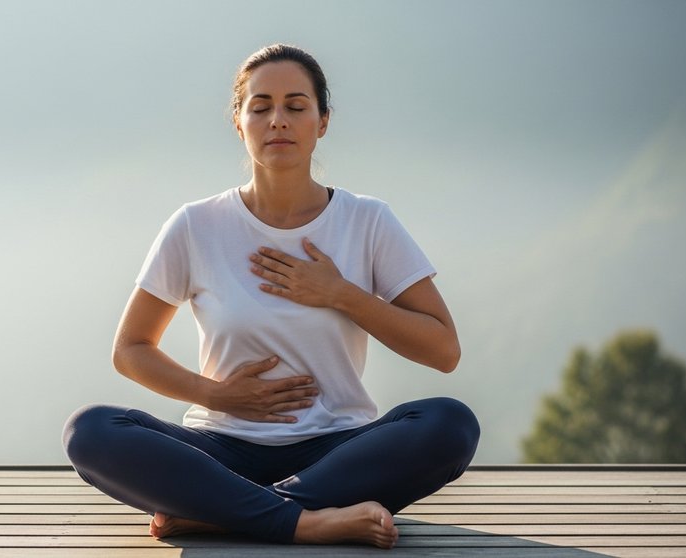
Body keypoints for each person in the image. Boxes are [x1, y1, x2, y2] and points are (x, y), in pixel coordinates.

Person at [62, 43, 480, 549]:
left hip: (337, 450)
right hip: (219, 446)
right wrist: (216, 394)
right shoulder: (197, 225)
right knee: (91, 431)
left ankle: (222, 511)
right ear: (239, 122)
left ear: (322, 121)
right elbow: (130, 350)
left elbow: (443, 350)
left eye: (296, 106)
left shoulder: (367, 221)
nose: (277, 119)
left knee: (450, 423)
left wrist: (342, 294)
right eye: (260, 107)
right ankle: (305, 519)